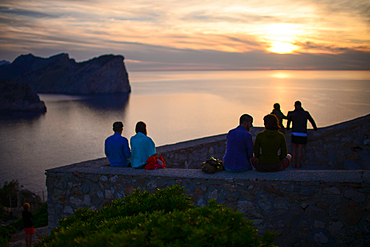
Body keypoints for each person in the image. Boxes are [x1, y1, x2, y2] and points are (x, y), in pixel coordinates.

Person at [286, 101, 318, 168]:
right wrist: (315, 128)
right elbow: (311, 121)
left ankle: (293, 164)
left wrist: (288, 129)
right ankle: (298, 164)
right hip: (303, 133)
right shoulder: (305, 113)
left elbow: (288, 123)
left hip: (294, 133)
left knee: (294, 149)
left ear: (295, 106)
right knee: (300, 149)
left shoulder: (291, 113)